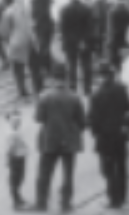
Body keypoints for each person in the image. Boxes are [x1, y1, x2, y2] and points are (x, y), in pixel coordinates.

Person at [31, 66, 85, 213]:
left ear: (53, 79)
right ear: (66, 78)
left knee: (44, 173)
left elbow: (38, 118)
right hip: (69, 141)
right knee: (68, 174)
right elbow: (82, 122)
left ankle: (41, 203)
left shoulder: (44, 96)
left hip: (49, 140)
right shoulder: (74, 97)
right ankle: (65, 204)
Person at [88, 62, 129, 209]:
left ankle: (114, 199)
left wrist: (95, 133)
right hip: (120, 134)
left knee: (108, 169)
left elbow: (93, 119)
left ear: (101, 76)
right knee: (121, 166)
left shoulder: (96, 95)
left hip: (105, 138)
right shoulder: (122, 89)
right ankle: (123, 196)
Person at [0, 0, 42, 99]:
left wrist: (9, 41)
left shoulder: (9, 11)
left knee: (19, 69)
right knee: (33, 68)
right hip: (29, 42)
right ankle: (36, 90)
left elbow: (3, 31)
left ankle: (22, 91)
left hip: (18, 43)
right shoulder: (29, 9)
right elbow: (35, 25)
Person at [58, 0, 94, 94]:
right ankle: (87, 89)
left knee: (71, 65)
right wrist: (84, 40)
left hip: (70, 42)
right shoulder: (86, 8)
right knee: (86, 65)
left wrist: (65, 42)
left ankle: (73, 88)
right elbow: (89, 27)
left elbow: (62, 29)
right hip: (84, 42)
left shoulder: (64, 9)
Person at [3, 109, 29, 210]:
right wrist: (7, 160)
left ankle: (18, 198)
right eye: (15, 121)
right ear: (10, 122)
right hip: (15, 158)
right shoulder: (11, 133)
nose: (18, 123)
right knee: (15, 180)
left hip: (21, 156)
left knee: (20, 178)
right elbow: (9, 149)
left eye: (19, 121)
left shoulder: (17, 130)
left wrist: (25, 149)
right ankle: (16, 203)